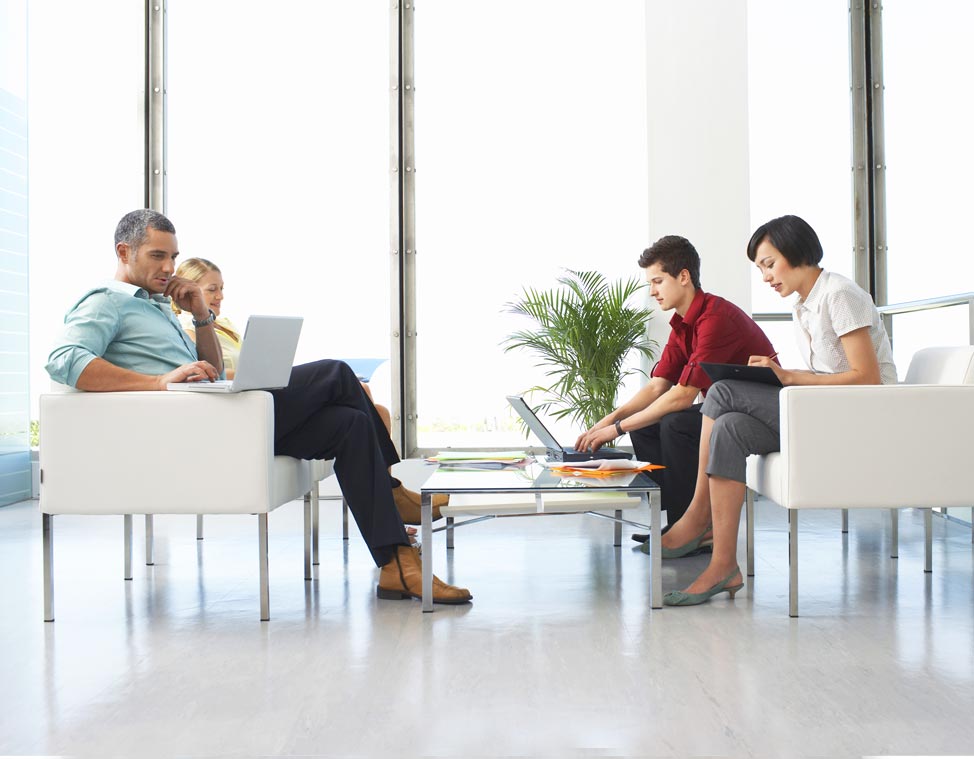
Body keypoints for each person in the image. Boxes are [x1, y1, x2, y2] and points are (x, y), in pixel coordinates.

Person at [45, 209, 469, 604]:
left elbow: (211, 367)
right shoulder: (106, 301)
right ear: (124, 252)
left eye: (172, 256)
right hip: (198, 428)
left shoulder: (157, 307)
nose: (169, 268)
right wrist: (157, 381)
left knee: (350, 424)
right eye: (157, 256)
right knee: (336, 373)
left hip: (220, 420)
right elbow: (64, 360)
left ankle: (395, 566)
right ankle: (394, 492)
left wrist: (199, 315)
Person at [661, 214, 897, 607]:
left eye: (769, 264)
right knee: (730, 428)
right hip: (825, 413)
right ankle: (723, 565)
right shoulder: (805, 306)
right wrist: (779, 375)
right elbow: (827, 373)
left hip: (860, 418)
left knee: (720, 391)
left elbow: (868, 379)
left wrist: (785, 376)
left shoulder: (838, 293)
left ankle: (696, 516)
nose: (766, 277)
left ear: (796, 251)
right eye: (760, 269)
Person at [170, 256, 415, 536]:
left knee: (353, 415)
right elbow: (208, 374)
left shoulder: (223, 325)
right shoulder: (189, 329)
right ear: (190, 291)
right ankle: (391, 492)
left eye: (222, 288)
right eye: (212, 289)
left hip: (259, 399)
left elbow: (248, 365)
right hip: (245, 412)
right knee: (338, 373)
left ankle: (390, 504)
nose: (220, 295)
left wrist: (267, 372)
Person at [574, 235, 776, 538]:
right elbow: (657, 387)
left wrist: (616, 430)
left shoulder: (715, 318)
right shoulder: (682, 324)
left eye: (658, 281)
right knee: (645, 426)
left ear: (684, 277)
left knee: (676, 423)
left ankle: (695, 528)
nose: (652, 291)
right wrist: (607, 422)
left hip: (754, 413)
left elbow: (683, 395)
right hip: (720, 409)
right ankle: (678, 522)